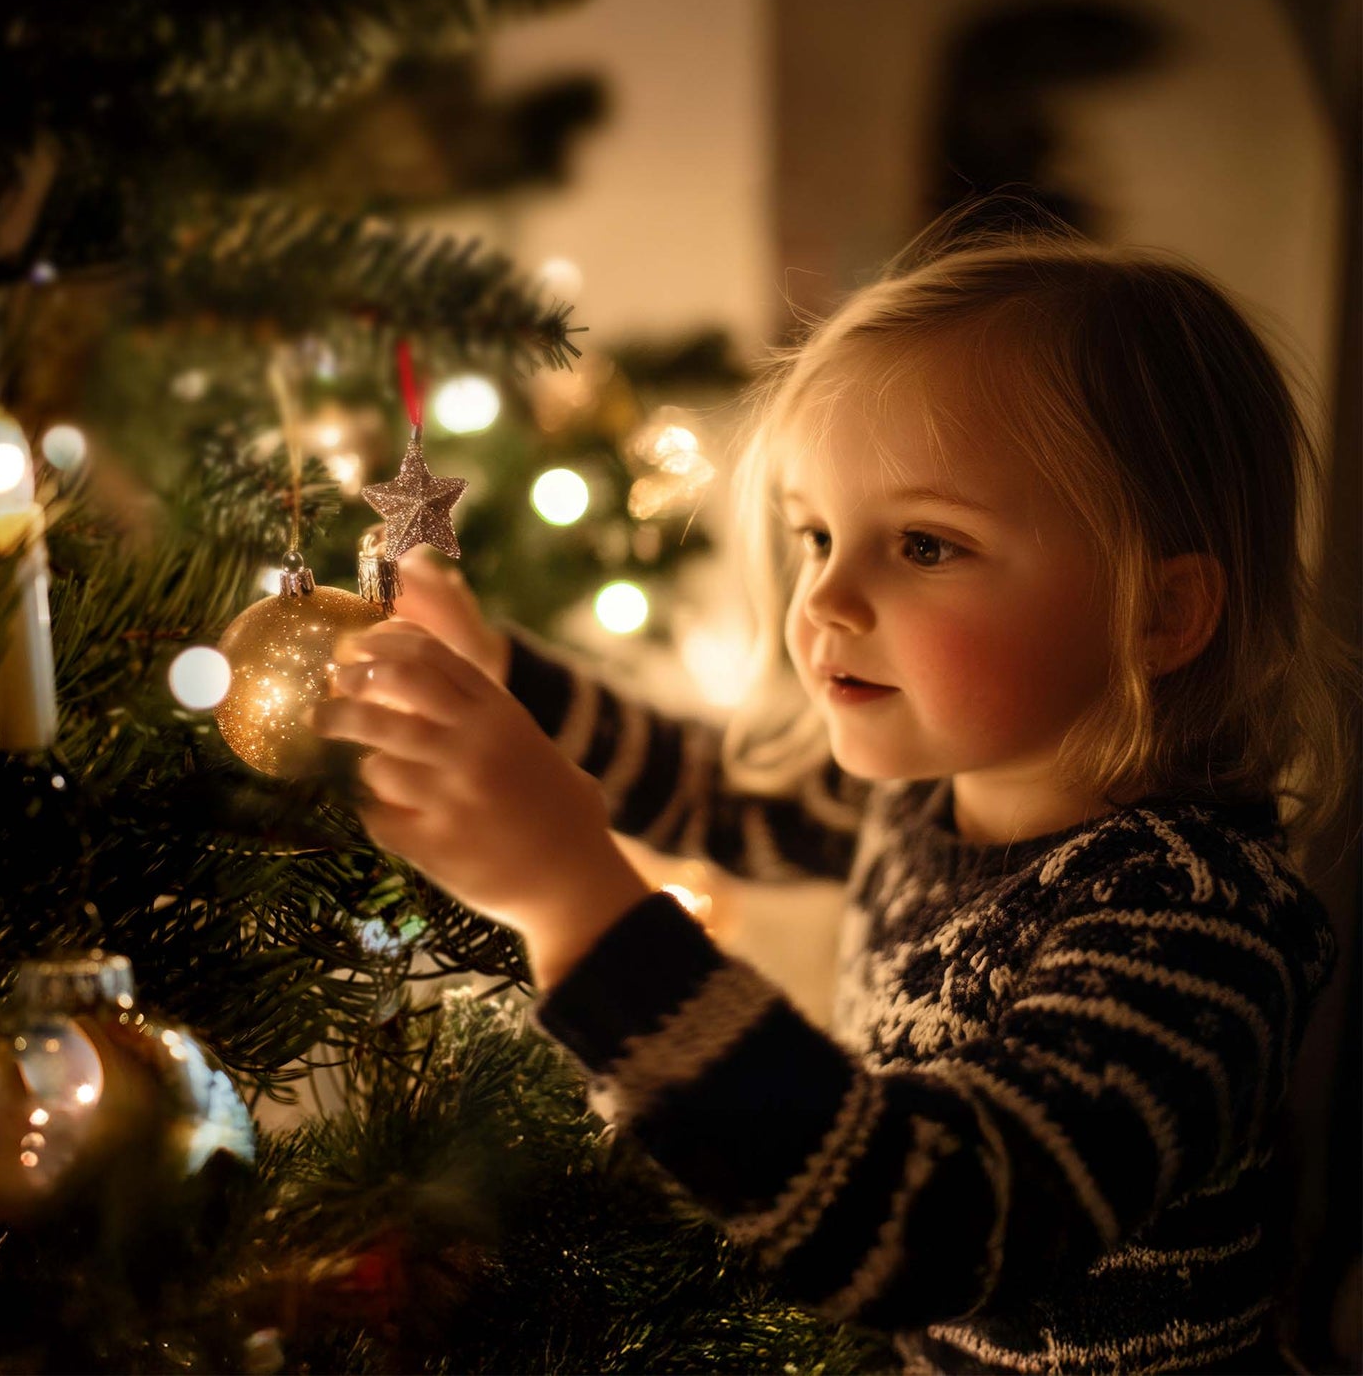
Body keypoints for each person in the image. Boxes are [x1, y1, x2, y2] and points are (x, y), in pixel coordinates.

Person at [311, 210, 1351, 1374]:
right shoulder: (922, 795)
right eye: (814, 535)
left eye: (923, 544)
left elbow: (934, 1231)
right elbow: (709, 791)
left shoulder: (1192, 922)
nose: (823, 601)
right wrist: (504, 672)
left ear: (1156, 613)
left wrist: (577, 906)